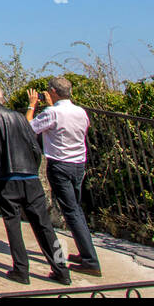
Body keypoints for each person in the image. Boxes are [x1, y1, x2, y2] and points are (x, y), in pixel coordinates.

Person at [0, 85, 71, 285]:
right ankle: (61, 270)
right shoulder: (19, 117)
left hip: (6, 178)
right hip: (30, 177)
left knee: (13, 224)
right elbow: (35, 147)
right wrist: (32, 170)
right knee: (44, 225)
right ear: (4, 100)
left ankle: (21, 270)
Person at [28, 76, 101, 277]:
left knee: (71, 212)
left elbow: (28, 129)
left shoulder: (52, 113)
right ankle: (85, 252)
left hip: (60, 165)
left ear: (53, 91)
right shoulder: (81, 112)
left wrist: (32, 106)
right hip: (79, 164)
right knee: (76, 209)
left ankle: (90, 261)